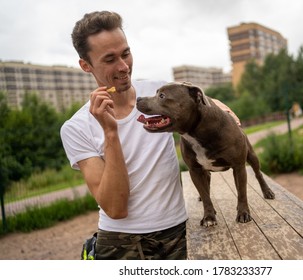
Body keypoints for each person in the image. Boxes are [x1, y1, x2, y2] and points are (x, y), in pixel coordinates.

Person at [60, 11, 239, 260]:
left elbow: (199, 100)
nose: (123, 67)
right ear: (85, 65)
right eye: (110, 59)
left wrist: (223, 109)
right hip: (120, 243)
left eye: (125, 53)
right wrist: (111, 133)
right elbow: (115, 207)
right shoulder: (76, 128)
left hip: (177, 231)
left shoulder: (156, 95)